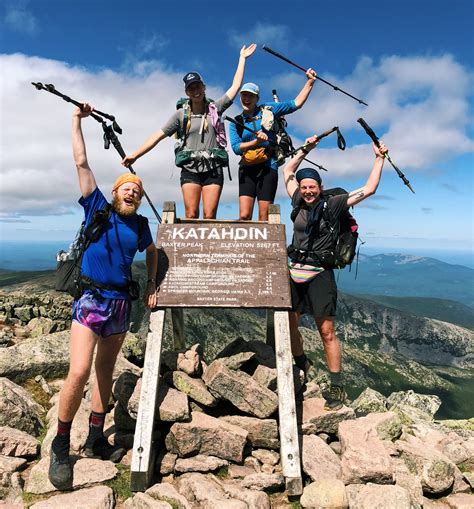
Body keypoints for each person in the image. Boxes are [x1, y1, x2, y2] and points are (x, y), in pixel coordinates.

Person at [48, 103, 158, 490]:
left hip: (120, 304)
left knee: (105, 373)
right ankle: (61, 445)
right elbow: (81, 163)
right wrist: (77, 121)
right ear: (115, 193)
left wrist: (153, 285)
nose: (132, 192)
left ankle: (95, 436)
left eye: (138, 191)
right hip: (91, 302)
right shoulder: (98, 208)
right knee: (78, 372)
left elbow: (153, 252)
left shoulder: (141, 225)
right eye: (127, 188)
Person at [283, 135, 388, 410]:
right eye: (305, 187)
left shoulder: (335, 204)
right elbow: (287, 171)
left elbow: (369, 189)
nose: (307, 191)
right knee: (290, 322)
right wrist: (307, 148)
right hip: (293, 270)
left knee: (326, 330)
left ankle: (337, 387)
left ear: (321, 187)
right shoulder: (296, 200)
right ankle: (301, 362)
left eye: (312, 187)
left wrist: (379, 158)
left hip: (319, 273)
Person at [121, 44, 257, 219]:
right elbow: (158, 136)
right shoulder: (180, 115)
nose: (196, 91)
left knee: (209, 216)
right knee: (191, 214)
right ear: (187, 91)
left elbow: (235, 87)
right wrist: (135, 155)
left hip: (213, 167)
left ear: (204, 87)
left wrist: (242, 59)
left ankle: (208, 247)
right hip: (189, 168)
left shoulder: (216, 108)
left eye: (198, 86)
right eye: (191, 88)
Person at [228, 69, 317, 221]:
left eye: (251, 96)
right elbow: (236, 148)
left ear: (257, 98)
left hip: (268, 166)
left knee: (264, 217)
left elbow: (296, 104)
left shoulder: (268, 109)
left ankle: (262, 245)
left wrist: (310, 82)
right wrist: (256, 142)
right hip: (247, 167)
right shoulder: (237, 121)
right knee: (244, 216)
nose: (246, 98)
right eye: (244, 95)